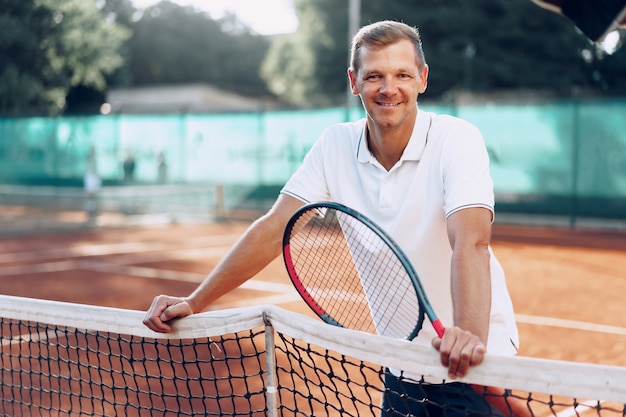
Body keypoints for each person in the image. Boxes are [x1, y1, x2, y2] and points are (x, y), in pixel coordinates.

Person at [144, 20, 520, 416]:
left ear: (422, 79)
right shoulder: (333, 146)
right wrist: (195, 300)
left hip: (478, 361)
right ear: (354, 81)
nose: (388, 88)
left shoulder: (456, 139)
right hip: (402, 368)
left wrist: (469, 340)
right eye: (374, 75)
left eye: (402, 75)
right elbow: (276, 228)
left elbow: (471, 240)